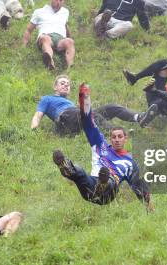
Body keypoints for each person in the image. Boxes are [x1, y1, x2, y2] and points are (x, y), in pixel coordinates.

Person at [51, 83, 154, 211]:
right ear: (110, 138)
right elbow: (88, 123)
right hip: (90, 190)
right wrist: (85, 99)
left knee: (108, 179)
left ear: (125, 139)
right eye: (114, 137)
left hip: (109, 193)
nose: (116, 140)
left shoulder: (130, 162)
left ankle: (103, 184)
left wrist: (150, 207)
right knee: (80, 173)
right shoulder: (100, 145)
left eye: (120, 137)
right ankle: (65, 166)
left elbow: (139, 186)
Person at [30, 75, 158, 135]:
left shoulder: (69, 102)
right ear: (55, 87)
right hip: (65, 119)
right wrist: (34, 129)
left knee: (111, 107)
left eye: (68, 84)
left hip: (76, 115)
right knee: (91, 114)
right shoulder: (47, 99)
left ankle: (140, 118)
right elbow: (38, 115)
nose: (65, 85)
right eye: (62, 83)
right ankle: (119, 134)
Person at [22, 0, 75, 70]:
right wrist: (24, 45)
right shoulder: (39, 12)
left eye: (61, 0)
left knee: (70, 41)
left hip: (60, 38)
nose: (58, 2)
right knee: (45, 38)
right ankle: (50, 62)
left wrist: (69, 37)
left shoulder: (65, 12)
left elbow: (65, 25)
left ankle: (70, 67)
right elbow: (29, 30)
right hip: (46, 36)